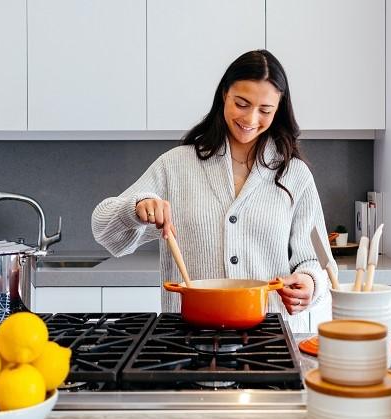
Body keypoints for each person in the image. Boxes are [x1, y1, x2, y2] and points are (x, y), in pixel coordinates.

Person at [91, 49, 333, 331]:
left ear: (278, 110)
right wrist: (136, 208)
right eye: (241, 104)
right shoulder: (177, 165)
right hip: (188, 339)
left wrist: (309, 282)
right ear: (223, 96)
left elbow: (316, 260)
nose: (251, 118)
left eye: (265, 110)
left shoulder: (294, 174)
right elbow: (104, 229)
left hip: (271, 341)